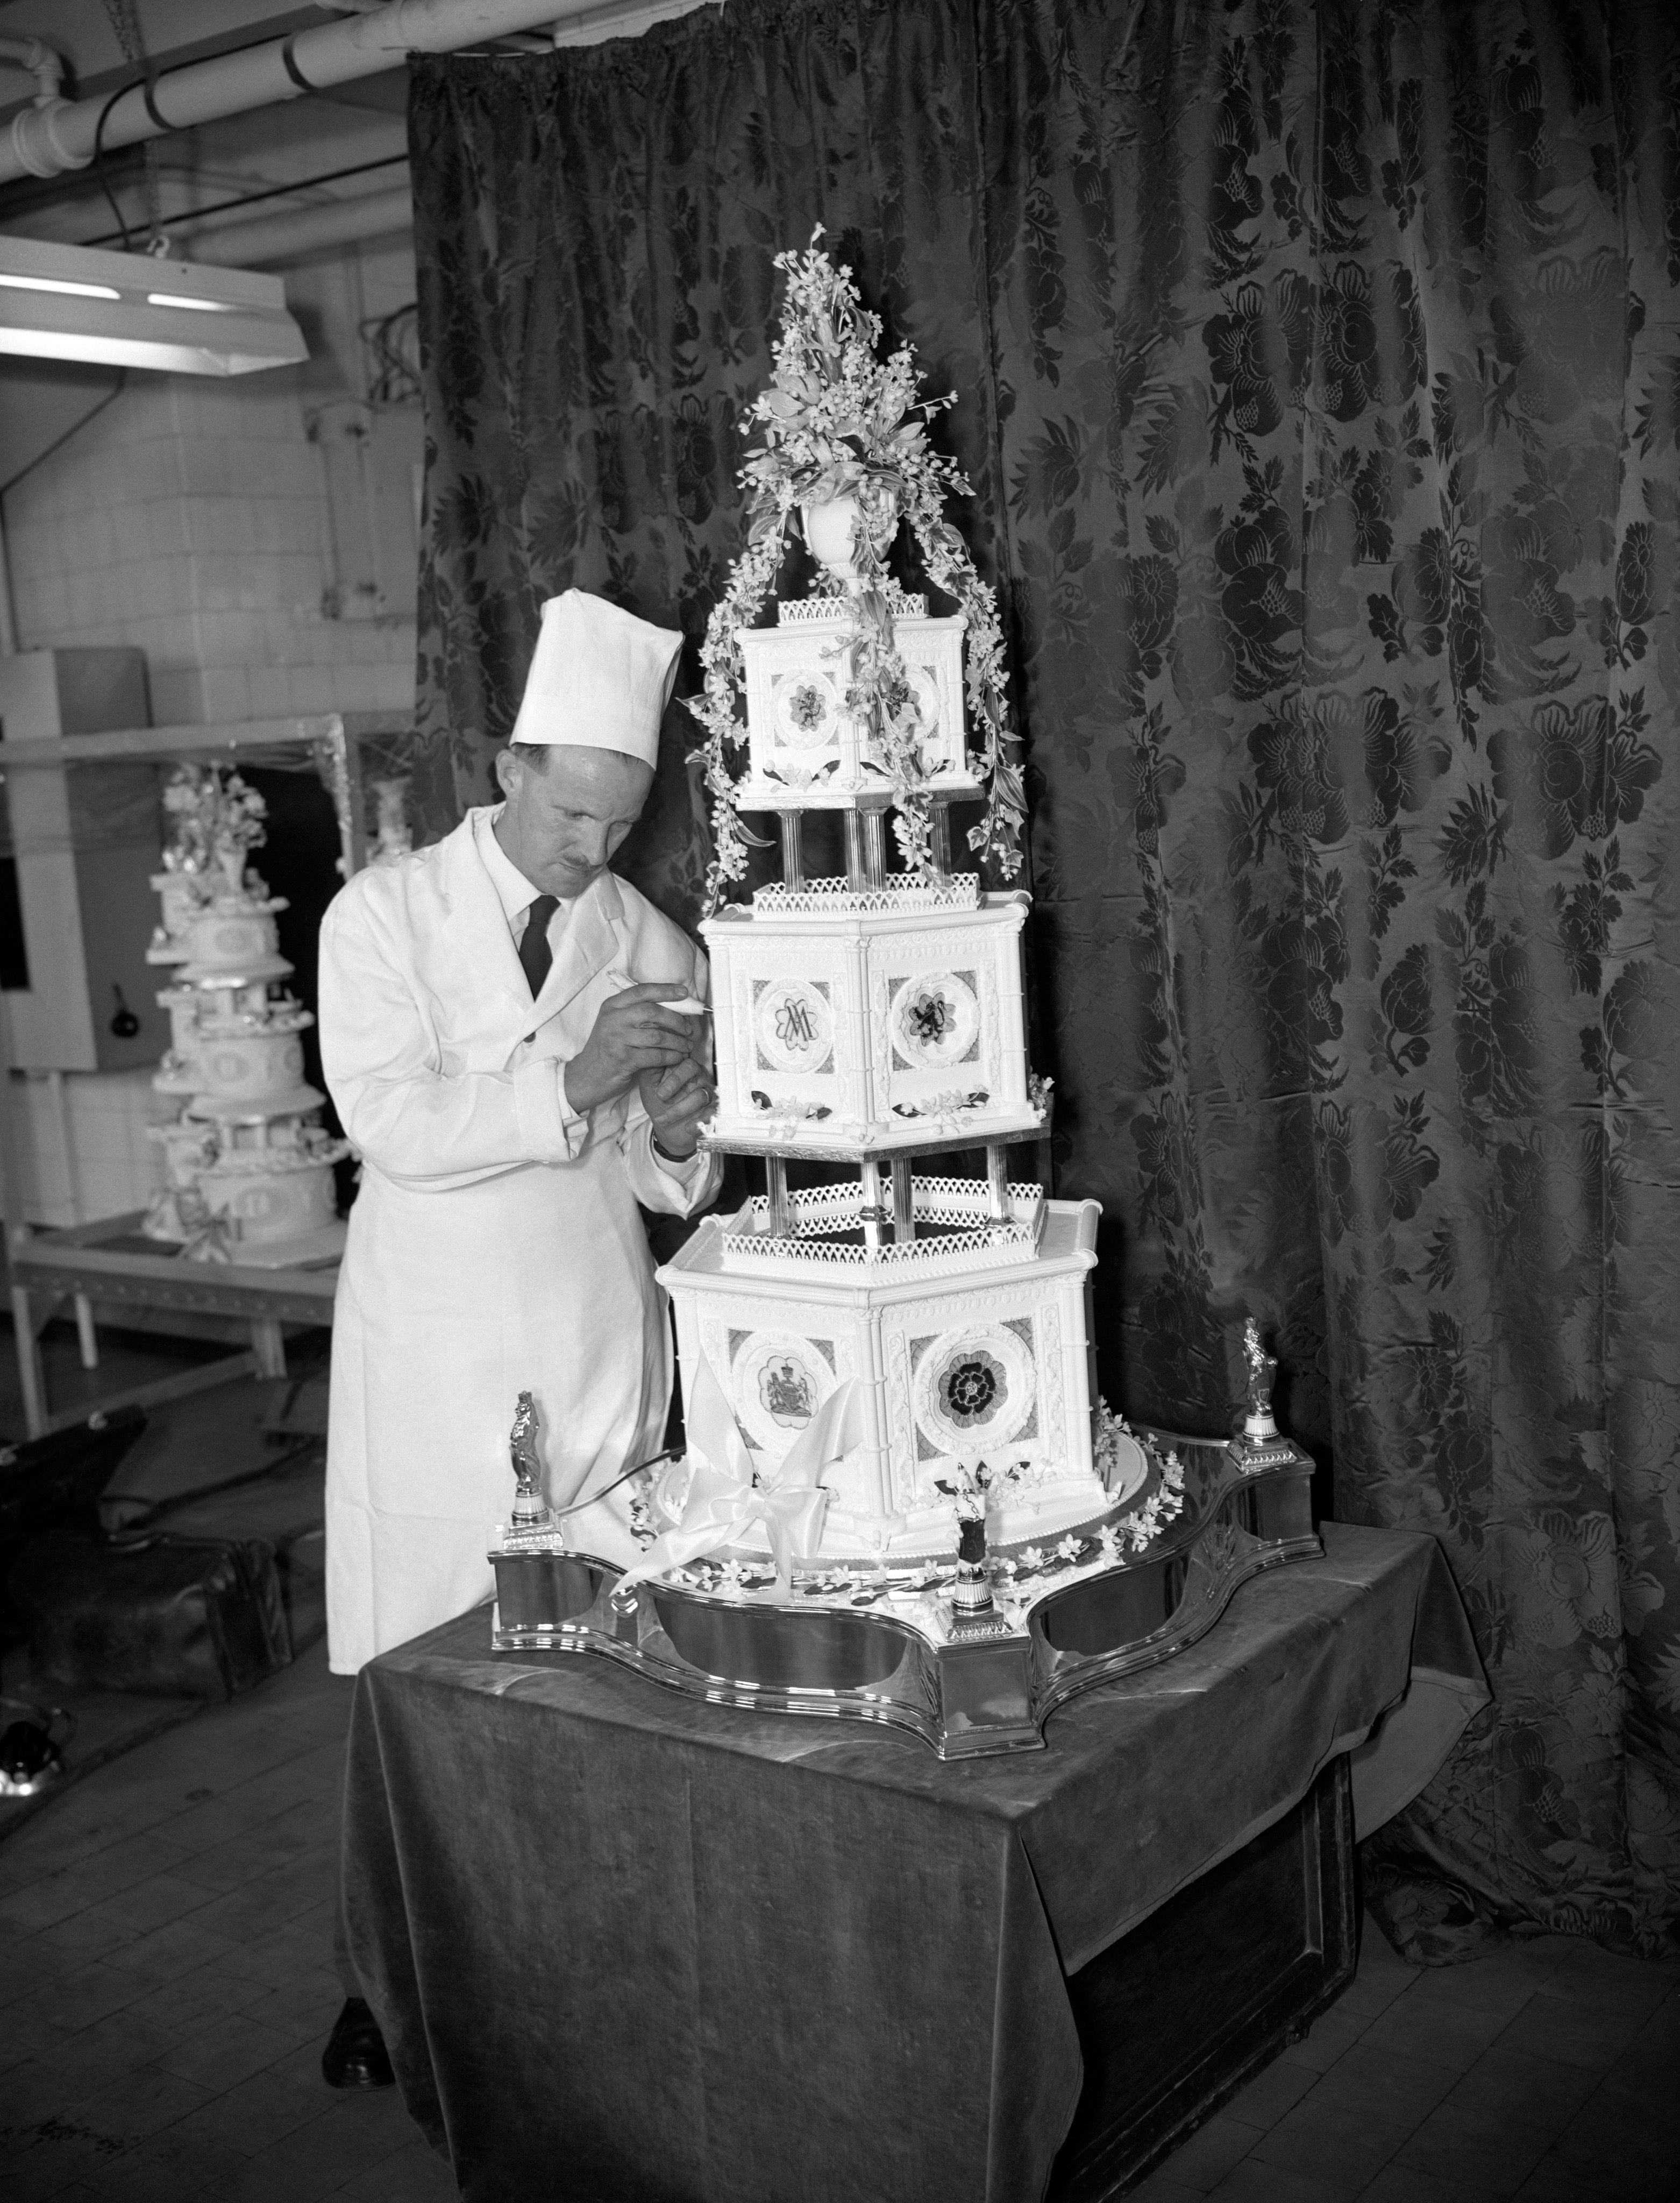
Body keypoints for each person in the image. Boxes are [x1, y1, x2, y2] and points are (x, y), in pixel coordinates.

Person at [315, 589, 721, 2088]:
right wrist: (574, 1072)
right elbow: (399, 1128)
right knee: (417, 1678)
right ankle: (388, 1978)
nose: (589, 853)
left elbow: (667, 1175)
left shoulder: (648, 939)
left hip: (589, 1328)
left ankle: (570, 1971)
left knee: (589, 1670)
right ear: (508, 767)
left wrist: (681, 1127)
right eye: (569, 815)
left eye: (617, 827)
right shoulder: (383, 916)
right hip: (432, 1352)